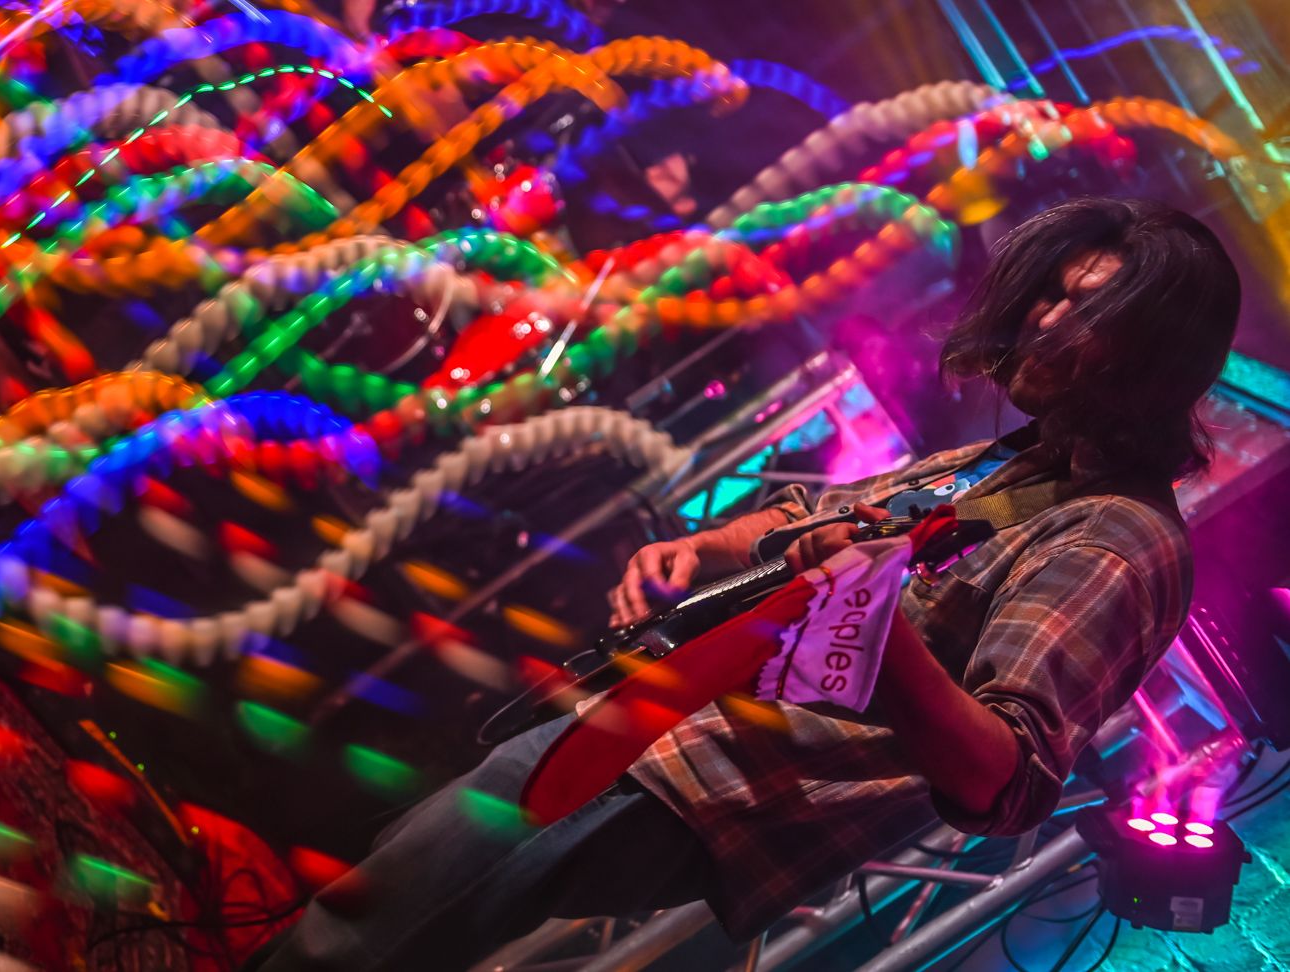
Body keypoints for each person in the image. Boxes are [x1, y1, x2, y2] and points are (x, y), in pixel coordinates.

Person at [245, 197, 1240, 970]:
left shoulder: (1117, 537)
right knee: (389, 894)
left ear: (1150, 359)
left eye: (1082, 308)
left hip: (701, 781)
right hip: (660, 723)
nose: (1041, 319)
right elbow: (830, 516)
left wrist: (875, 629)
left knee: (361, 933)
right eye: (1049, 292)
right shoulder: (1025, 459)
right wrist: (706, 552)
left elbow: (1005, 778)